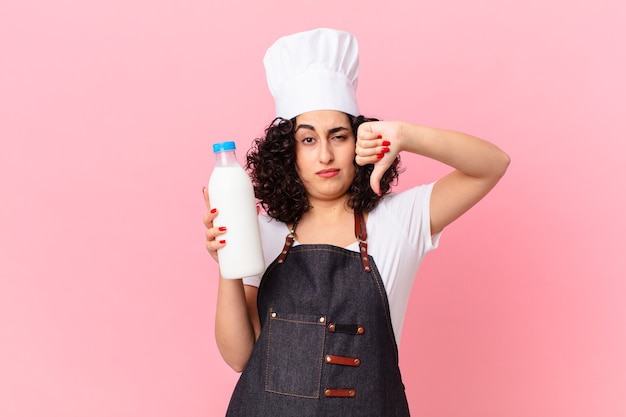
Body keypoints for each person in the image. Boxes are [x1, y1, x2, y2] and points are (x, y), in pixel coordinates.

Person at [202, 28, 509, 416]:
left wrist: (406, 134)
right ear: (287, 152)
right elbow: (239, 356)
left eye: (339, 136)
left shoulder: (399, 221)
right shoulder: (263, 231)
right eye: (308, 140)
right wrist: (228, 264)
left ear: (360, 141)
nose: (326, 155)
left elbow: (491, 165)